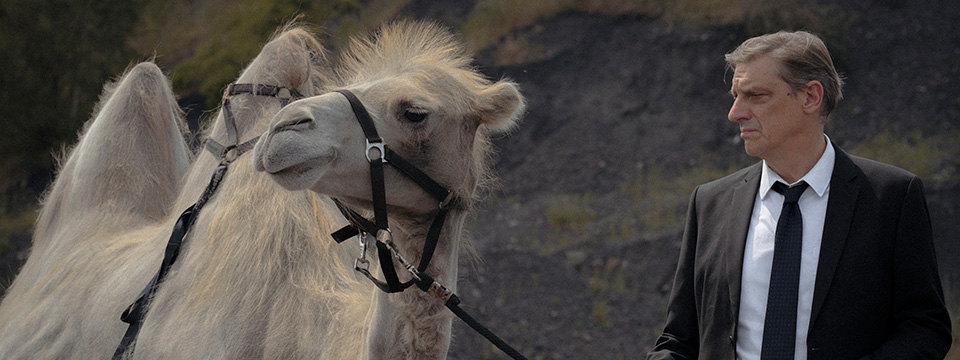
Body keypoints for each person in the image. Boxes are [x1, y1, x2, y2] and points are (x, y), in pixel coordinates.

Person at [647, 31, 952, 359]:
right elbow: (679, 339)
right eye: (736, 95)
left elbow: (925, 327)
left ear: (810, 97)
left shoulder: (891, 197)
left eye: (756, 95)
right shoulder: (710, 202)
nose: (735, 113)